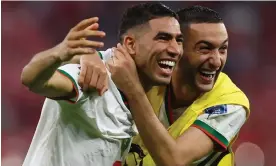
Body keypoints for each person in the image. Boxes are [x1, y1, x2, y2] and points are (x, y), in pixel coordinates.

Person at [78, 5, 250, 166]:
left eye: (223, 49)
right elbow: (107, 57)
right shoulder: (151, 72)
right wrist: (89, 56)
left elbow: (173, 161)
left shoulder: (231, 102)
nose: (216, 61)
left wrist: (134, 91)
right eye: (204, 49)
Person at [20, 2, 183, 166]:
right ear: (131, 44)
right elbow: (32, 79)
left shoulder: (143, 92)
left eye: (179, 40)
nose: (175, 49)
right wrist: (59, 53)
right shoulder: (92, 76)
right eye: (163, 38)